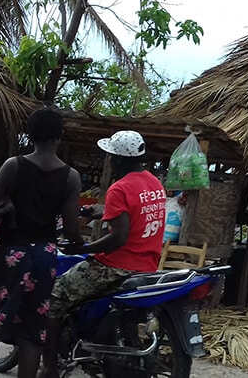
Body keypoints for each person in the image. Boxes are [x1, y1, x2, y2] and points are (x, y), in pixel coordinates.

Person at [0, 106, 81, 378]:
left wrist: (11, 202)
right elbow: (72, 228)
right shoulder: (70, 177)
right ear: (59, 136)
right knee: (32, 331)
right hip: (43, 258)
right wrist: (77, 244)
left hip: (8, 253)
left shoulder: (13, 165)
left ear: (30, 134)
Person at [40, 130, 166, 378]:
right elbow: (133, 213)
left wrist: (83, 248)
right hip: (147, 265)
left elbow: (119, 237)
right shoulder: (154, 183)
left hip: (116, 266)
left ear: (118, 159)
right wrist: (99, 210)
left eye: (110, 156)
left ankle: (49, 368)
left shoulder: (119, 188)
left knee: (53, 298)